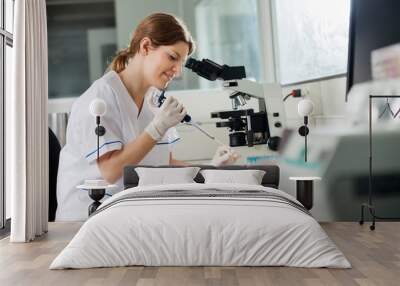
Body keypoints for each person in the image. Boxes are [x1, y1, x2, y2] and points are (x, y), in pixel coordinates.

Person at [56, 13, 238, 221]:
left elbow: (165, 163)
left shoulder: (154, 100)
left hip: (129, 214)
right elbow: (111, 171)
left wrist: (210, 172)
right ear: (145, 47)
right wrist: (156, 128)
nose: (177, 71)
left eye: (182, 62)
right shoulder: (101, 98)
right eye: (172, 57)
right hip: (85, 221)